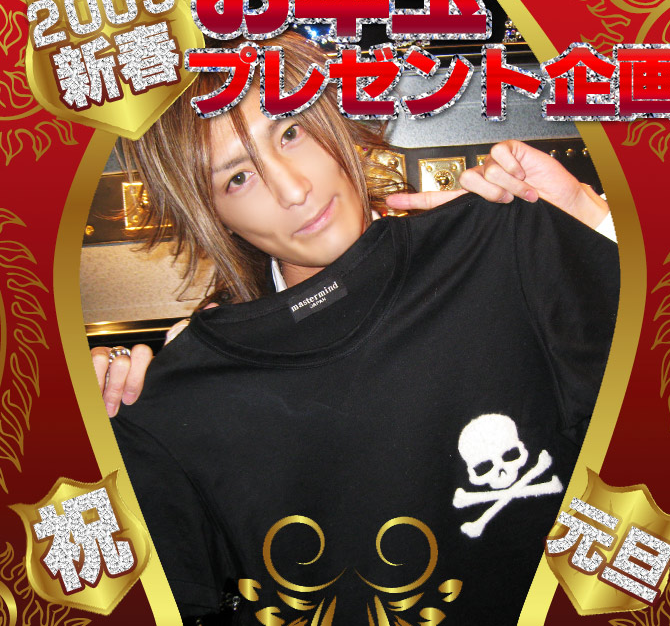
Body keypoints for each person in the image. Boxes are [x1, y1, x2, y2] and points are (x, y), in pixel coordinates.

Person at [107, 31, 618, 626]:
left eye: (291, 132)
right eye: (237, 179)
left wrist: (590, 227)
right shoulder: (187, 389)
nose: (293, 190)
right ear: (210, 214)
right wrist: (86, 441)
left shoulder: (502, 247)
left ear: (332, 117)